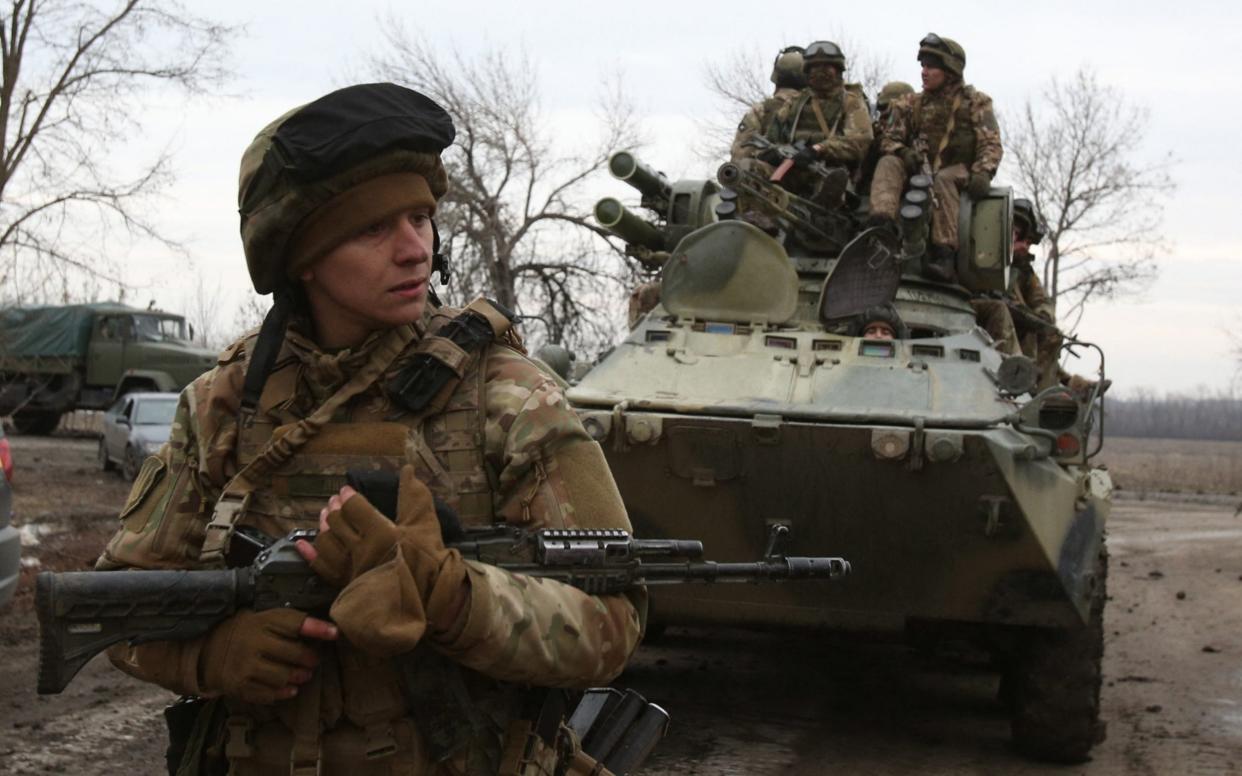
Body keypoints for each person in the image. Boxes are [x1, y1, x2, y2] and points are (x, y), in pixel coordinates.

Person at [95, 83, 645, 775]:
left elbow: (613, 625)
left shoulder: (510, 395)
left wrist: (451, 596)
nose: (415, 249)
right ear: (304, 257)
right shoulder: (225, 405)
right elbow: (114, 607)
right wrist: (211, 655)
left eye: (421, 217)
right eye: (373, 229)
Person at [869, 34, 1003, 281]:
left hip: (958, 172)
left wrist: (983, 173)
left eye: (931, 66)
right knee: (888, 162)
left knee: (944, 179)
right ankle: (881, 228)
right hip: (918, 171)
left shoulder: (975, 103)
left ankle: (944, 253)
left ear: (949, 70)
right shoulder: (910, 104)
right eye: (923, 66)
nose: (924, 72)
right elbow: (889, 139)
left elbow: (990, 144)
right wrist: (903, 153)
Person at [766, 40, 872, 204]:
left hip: (829, 172)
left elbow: (860, 141)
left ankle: (822, 219)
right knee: (748, 168)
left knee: (831, 187)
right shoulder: (794, 103)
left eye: (827, 68)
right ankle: (762, 219)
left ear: (837, 70)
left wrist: (819, 149)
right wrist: (770, 153)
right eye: (815, 68)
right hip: (790, 170)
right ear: (807, 72)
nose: (820, 73)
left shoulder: (852, 102)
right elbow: (771, 137)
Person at [729, 45, 806, 166]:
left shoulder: (760, 111)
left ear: (776, 79)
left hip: (764, 181)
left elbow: (738, 157)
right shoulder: (813, 109)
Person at [857, 81, 914, 194]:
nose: (884, 114)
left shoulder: (914, 127)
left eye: (888, 108)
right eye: (882, 108)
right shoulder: (875, 132)